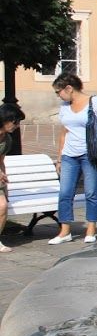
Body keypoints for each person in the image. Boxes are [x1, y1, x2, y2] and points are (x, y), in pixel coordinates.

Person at [51, 74, 97, 246]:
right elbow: (64, 132)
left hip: (91, 155)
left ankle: (90, 230)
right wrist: (59, 158)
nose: (58, 95)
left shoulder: (95, 102)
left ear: (69, 88)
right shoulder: (64, 106)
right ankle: (65, 231)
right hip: (69, 156)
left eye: (58, 92)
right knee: (65, 193)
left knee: (91, 192)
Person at [0, 104, 23, 254]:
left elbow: (1, 160)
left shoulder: (7, 139)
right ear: (6, 120)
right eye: (15, 122)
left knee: (2, 206)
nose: (17, 126)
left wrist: (3, 179)